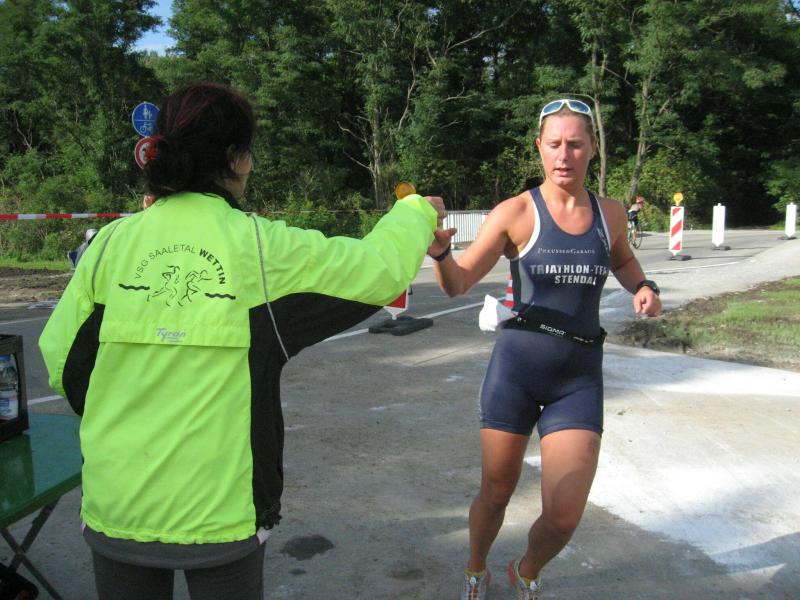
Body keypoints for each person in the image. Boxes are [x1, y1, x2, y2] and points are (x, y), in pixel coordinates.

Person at [39, 82, 445, 600]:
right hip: (222, 518)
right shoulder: (261, 247)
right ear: (237, 159)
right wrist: (414, 212)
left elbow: (61, 364)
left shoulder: (109, 244)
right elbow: (379, 270)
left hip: (116, 507)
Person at [426, 98, 661, 600]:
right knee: (496, 493)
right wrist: (442, 253)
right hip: (515, 374)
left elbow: (623, 260)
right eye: (554, 144)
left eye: (575, 144)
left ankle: (526, 570)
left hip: (577, 380)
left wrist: (644, 285)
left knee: (564, 514)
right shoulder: (515, 212)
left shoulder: (610, 215)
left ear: (592, 148)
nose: (564, 154)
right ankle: (476, 566)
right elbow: (458, 283)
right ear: (539, 147)